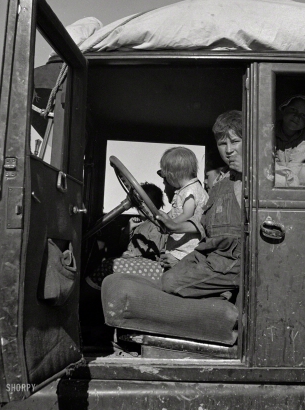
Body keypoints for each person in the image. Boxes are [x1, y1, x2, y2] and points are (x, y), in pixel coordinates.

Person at [86, 148, 208, 288]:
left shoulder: (189, 194)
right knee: (110, 263)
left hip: (175, 260)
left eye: (166, 179)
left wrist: (171, 224)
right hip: (167, 257)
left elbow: (186, 217)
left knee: (108, 266)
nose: (164, 184)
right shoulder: (150, 221)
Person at [156, 110, 243, 299]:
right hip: (209, 253)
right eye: (222, 144)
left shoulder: (261, 178)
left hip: (234, 259)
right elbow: (203, 222)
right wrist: (174, 225)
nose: (228, 150)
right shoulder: (220, 184)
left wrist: (247, 172)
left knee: (170, 283)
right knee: (166, 278)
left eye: (235, 142)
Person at [274, 94, 305, 187]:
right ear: (284, 109)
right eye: (293, 110)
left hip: (292, 182)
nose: (296, 117)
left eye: (303, 115)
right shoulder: (269, 131)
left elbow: (294, 169)